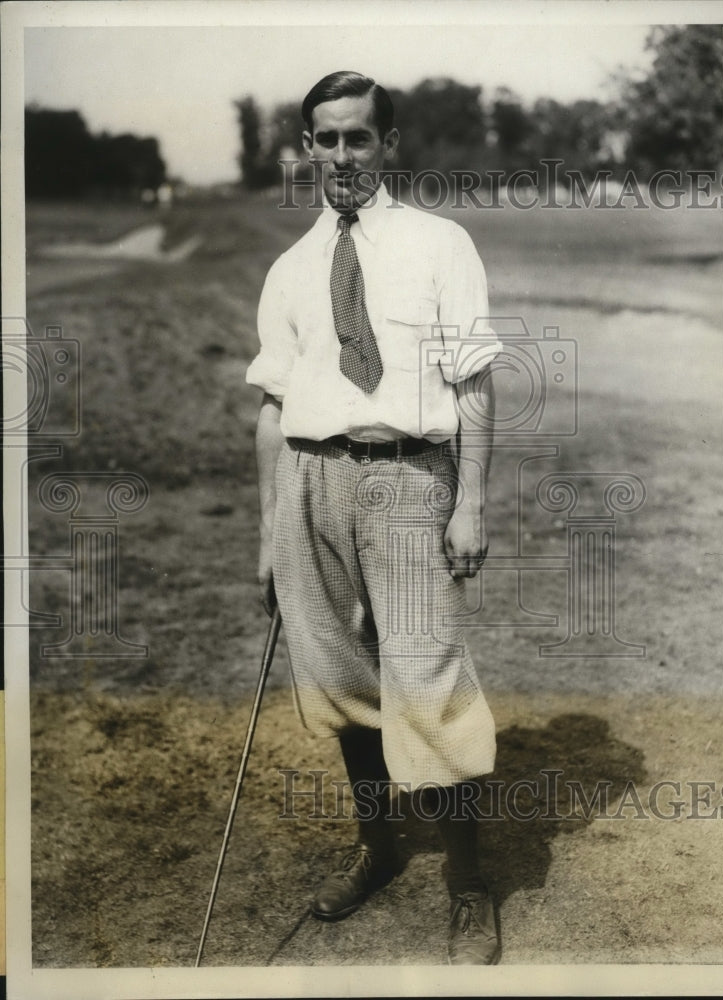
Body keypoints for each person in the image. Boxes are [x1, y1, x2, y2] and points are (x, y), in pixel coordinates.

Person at [246, 70, 502, 965]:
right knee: (336, 676)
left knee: (427, 677)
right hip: (311, 481)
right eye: (327, 139)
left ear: (388, 145)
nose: (343, 156)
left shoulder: (439, 244)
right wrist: (267, 535)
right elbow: (273, 410)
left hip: (406, 479)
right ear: (307, 147)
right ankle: (380, 845)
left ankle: (469, 887)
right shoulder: (291, 267)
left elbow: (474, 383)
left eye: (359, 138)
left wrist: (469, 500)